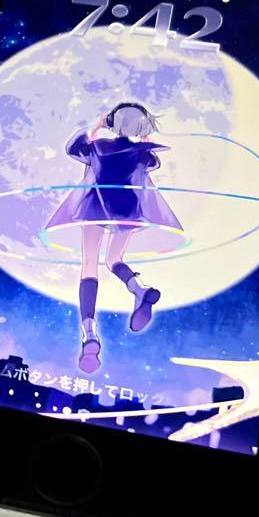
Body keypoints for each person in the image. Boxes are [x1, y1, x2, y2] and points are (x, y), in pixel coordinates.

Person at [44, 102, 182, 372]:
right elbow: (153, 162)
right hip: (127, 209)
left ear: (113, 122)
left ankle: (89, 332)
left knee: (90, 265)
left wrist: (96, 126)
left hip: (96, 207)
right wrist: (144, 141)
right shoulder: (142, 154)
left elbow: (73, 148)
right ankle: (140, 289)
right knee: (114, 259)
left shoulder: (98, 147)